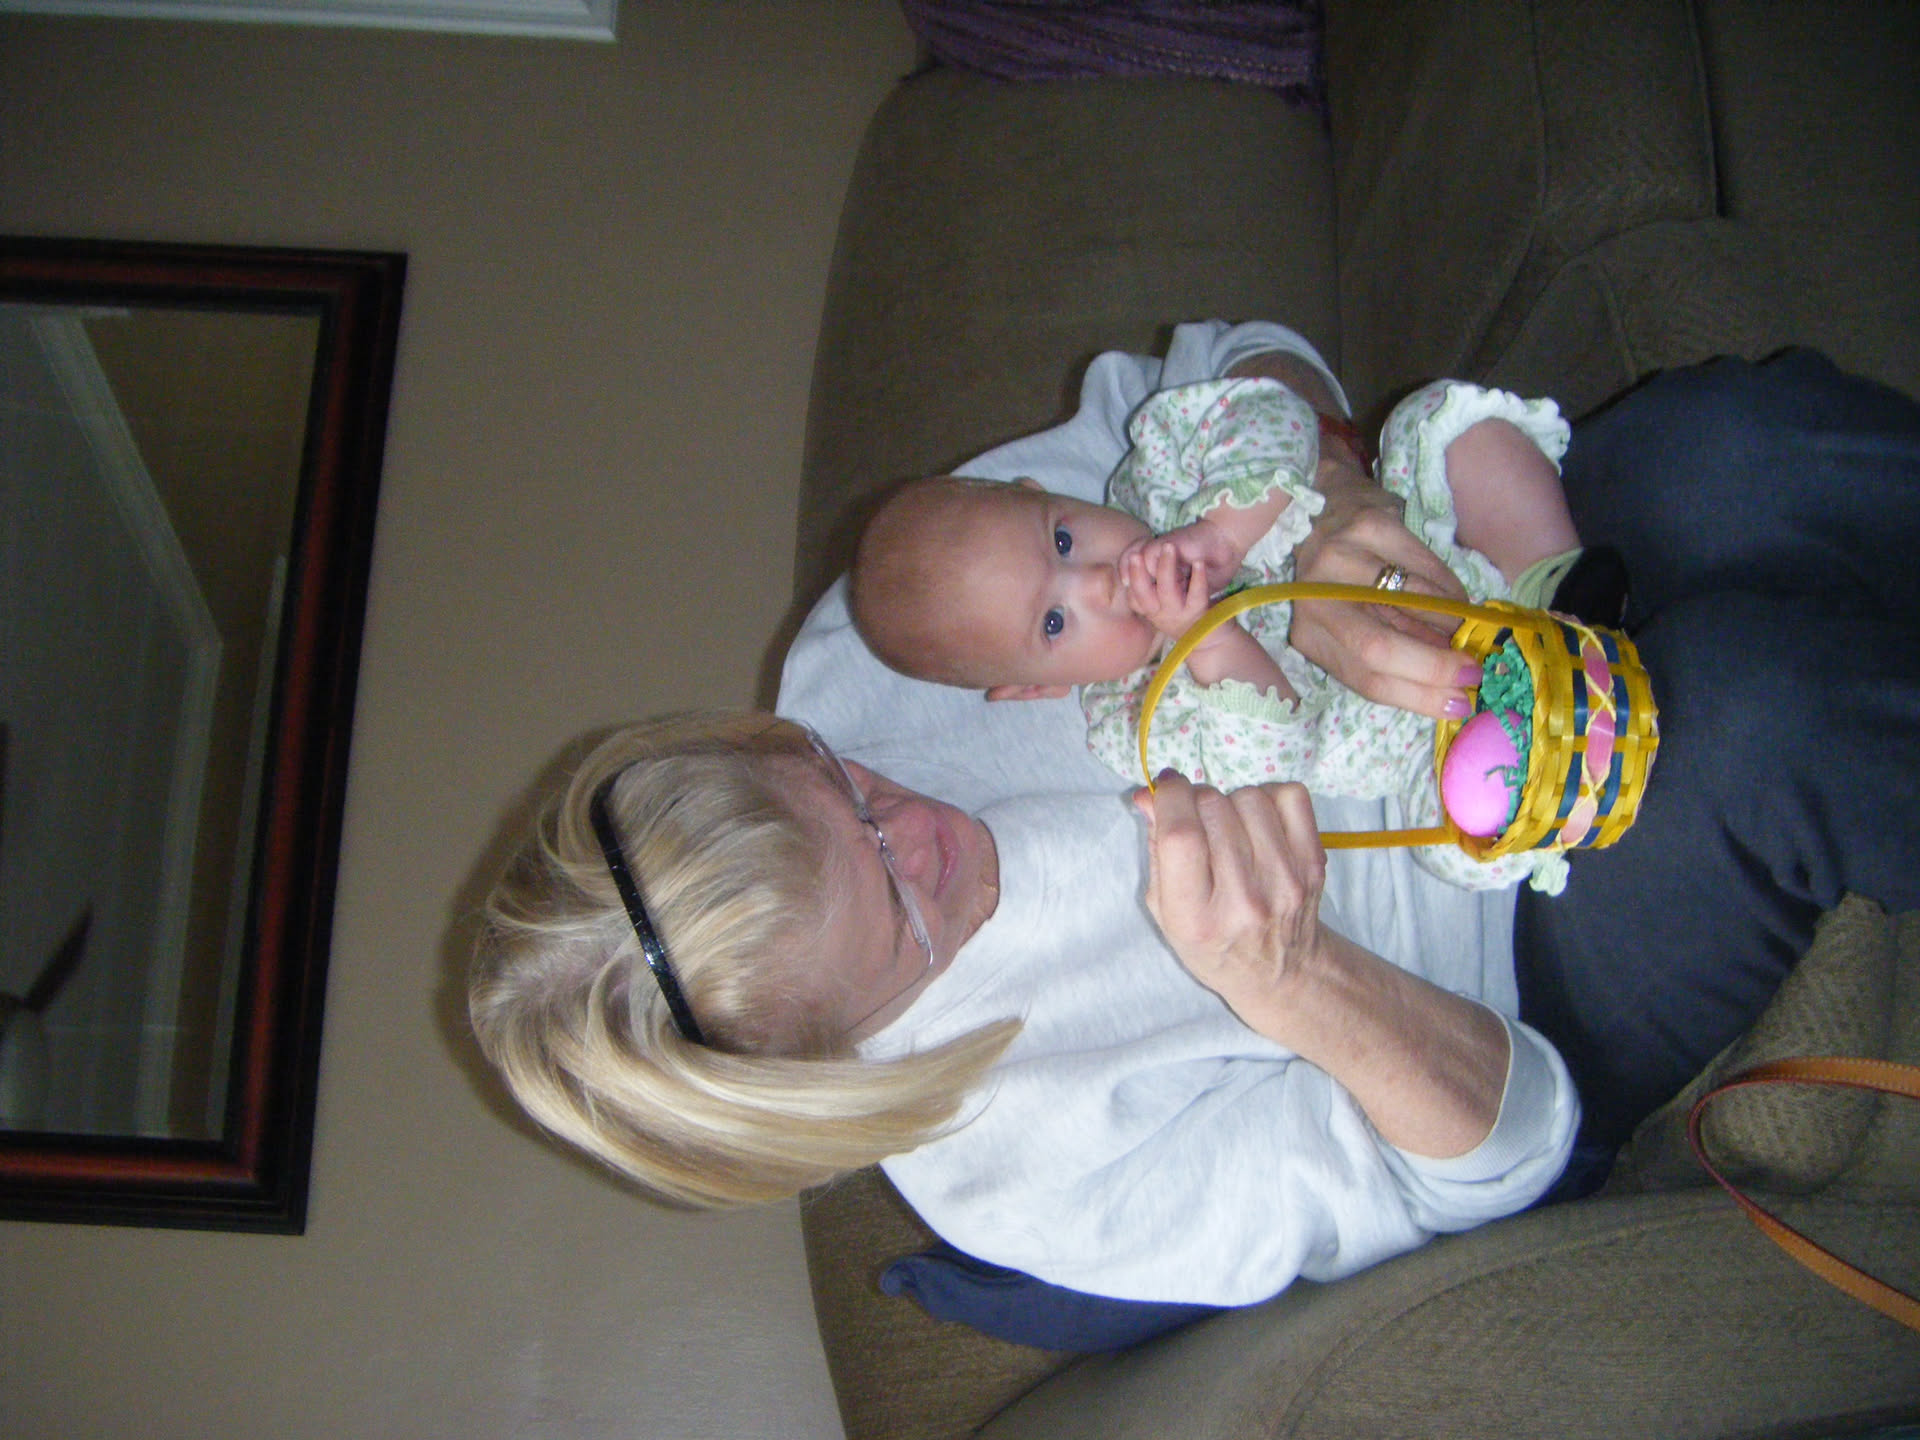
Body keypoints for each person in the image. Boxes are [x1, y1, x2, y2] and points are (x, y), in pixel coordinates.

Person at [469, 320, 1920, 1317]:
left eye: (854, 790)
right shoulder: (1015, 1176)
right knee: (1753, 713)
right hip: (1518, 948)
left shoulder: (877, 642)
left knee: (1731, 444)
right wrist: (1302, 982)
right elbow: (1515, 1147)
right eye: (899, 912)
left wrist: (1325, 494)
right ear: (827, 1065)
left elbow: (1217, 367)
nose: (925, 828)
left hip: (1478, 598)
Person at [847, 373, 1626, 892]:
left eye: (1061, 538)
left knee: (1441, 424)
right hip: (1432, 726)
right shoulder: (1135, 722)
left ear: (1042, 489)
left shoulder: (1158, 474)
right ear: (1035, 688)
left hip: (1437, 544)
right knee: (1454, 840)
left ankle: (1554, 584)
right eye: (1055, 621)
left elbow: (1274, 413)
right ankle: (1562, 729)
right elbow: (1273, 760)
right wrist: (1205, 636)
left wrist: (1222, 529)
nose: (1098, 580)